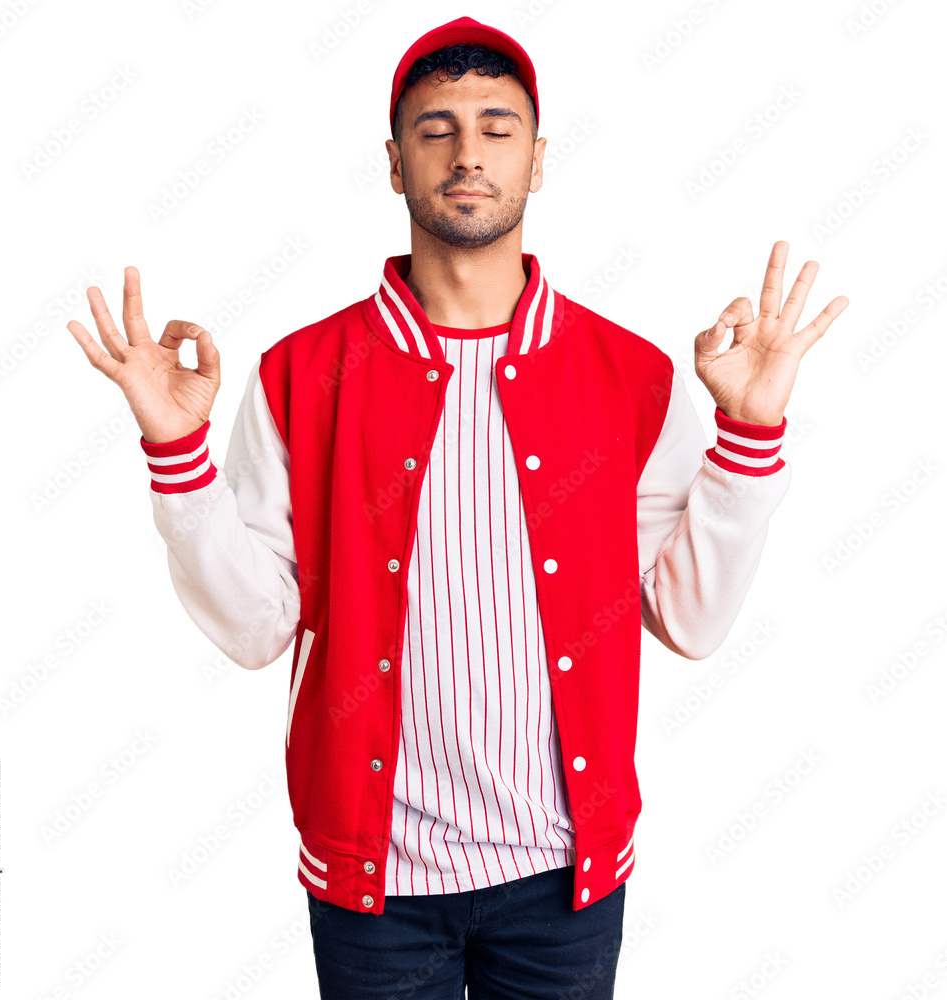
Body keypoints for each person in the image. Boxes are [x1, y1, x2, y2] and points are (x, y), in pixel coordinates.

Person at [67, 15, 848, 1000]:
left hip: (565, 878)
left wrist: (750, 435)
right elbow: (257, 626)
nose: (468, 152)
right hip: (374, 884)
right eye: (435, 131)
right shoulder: (304, 375)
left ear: (537, 158)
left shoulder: (628, 375)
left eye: (496, 126)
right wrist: (177, 452)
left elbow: (691, 618)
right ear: (395, 165)